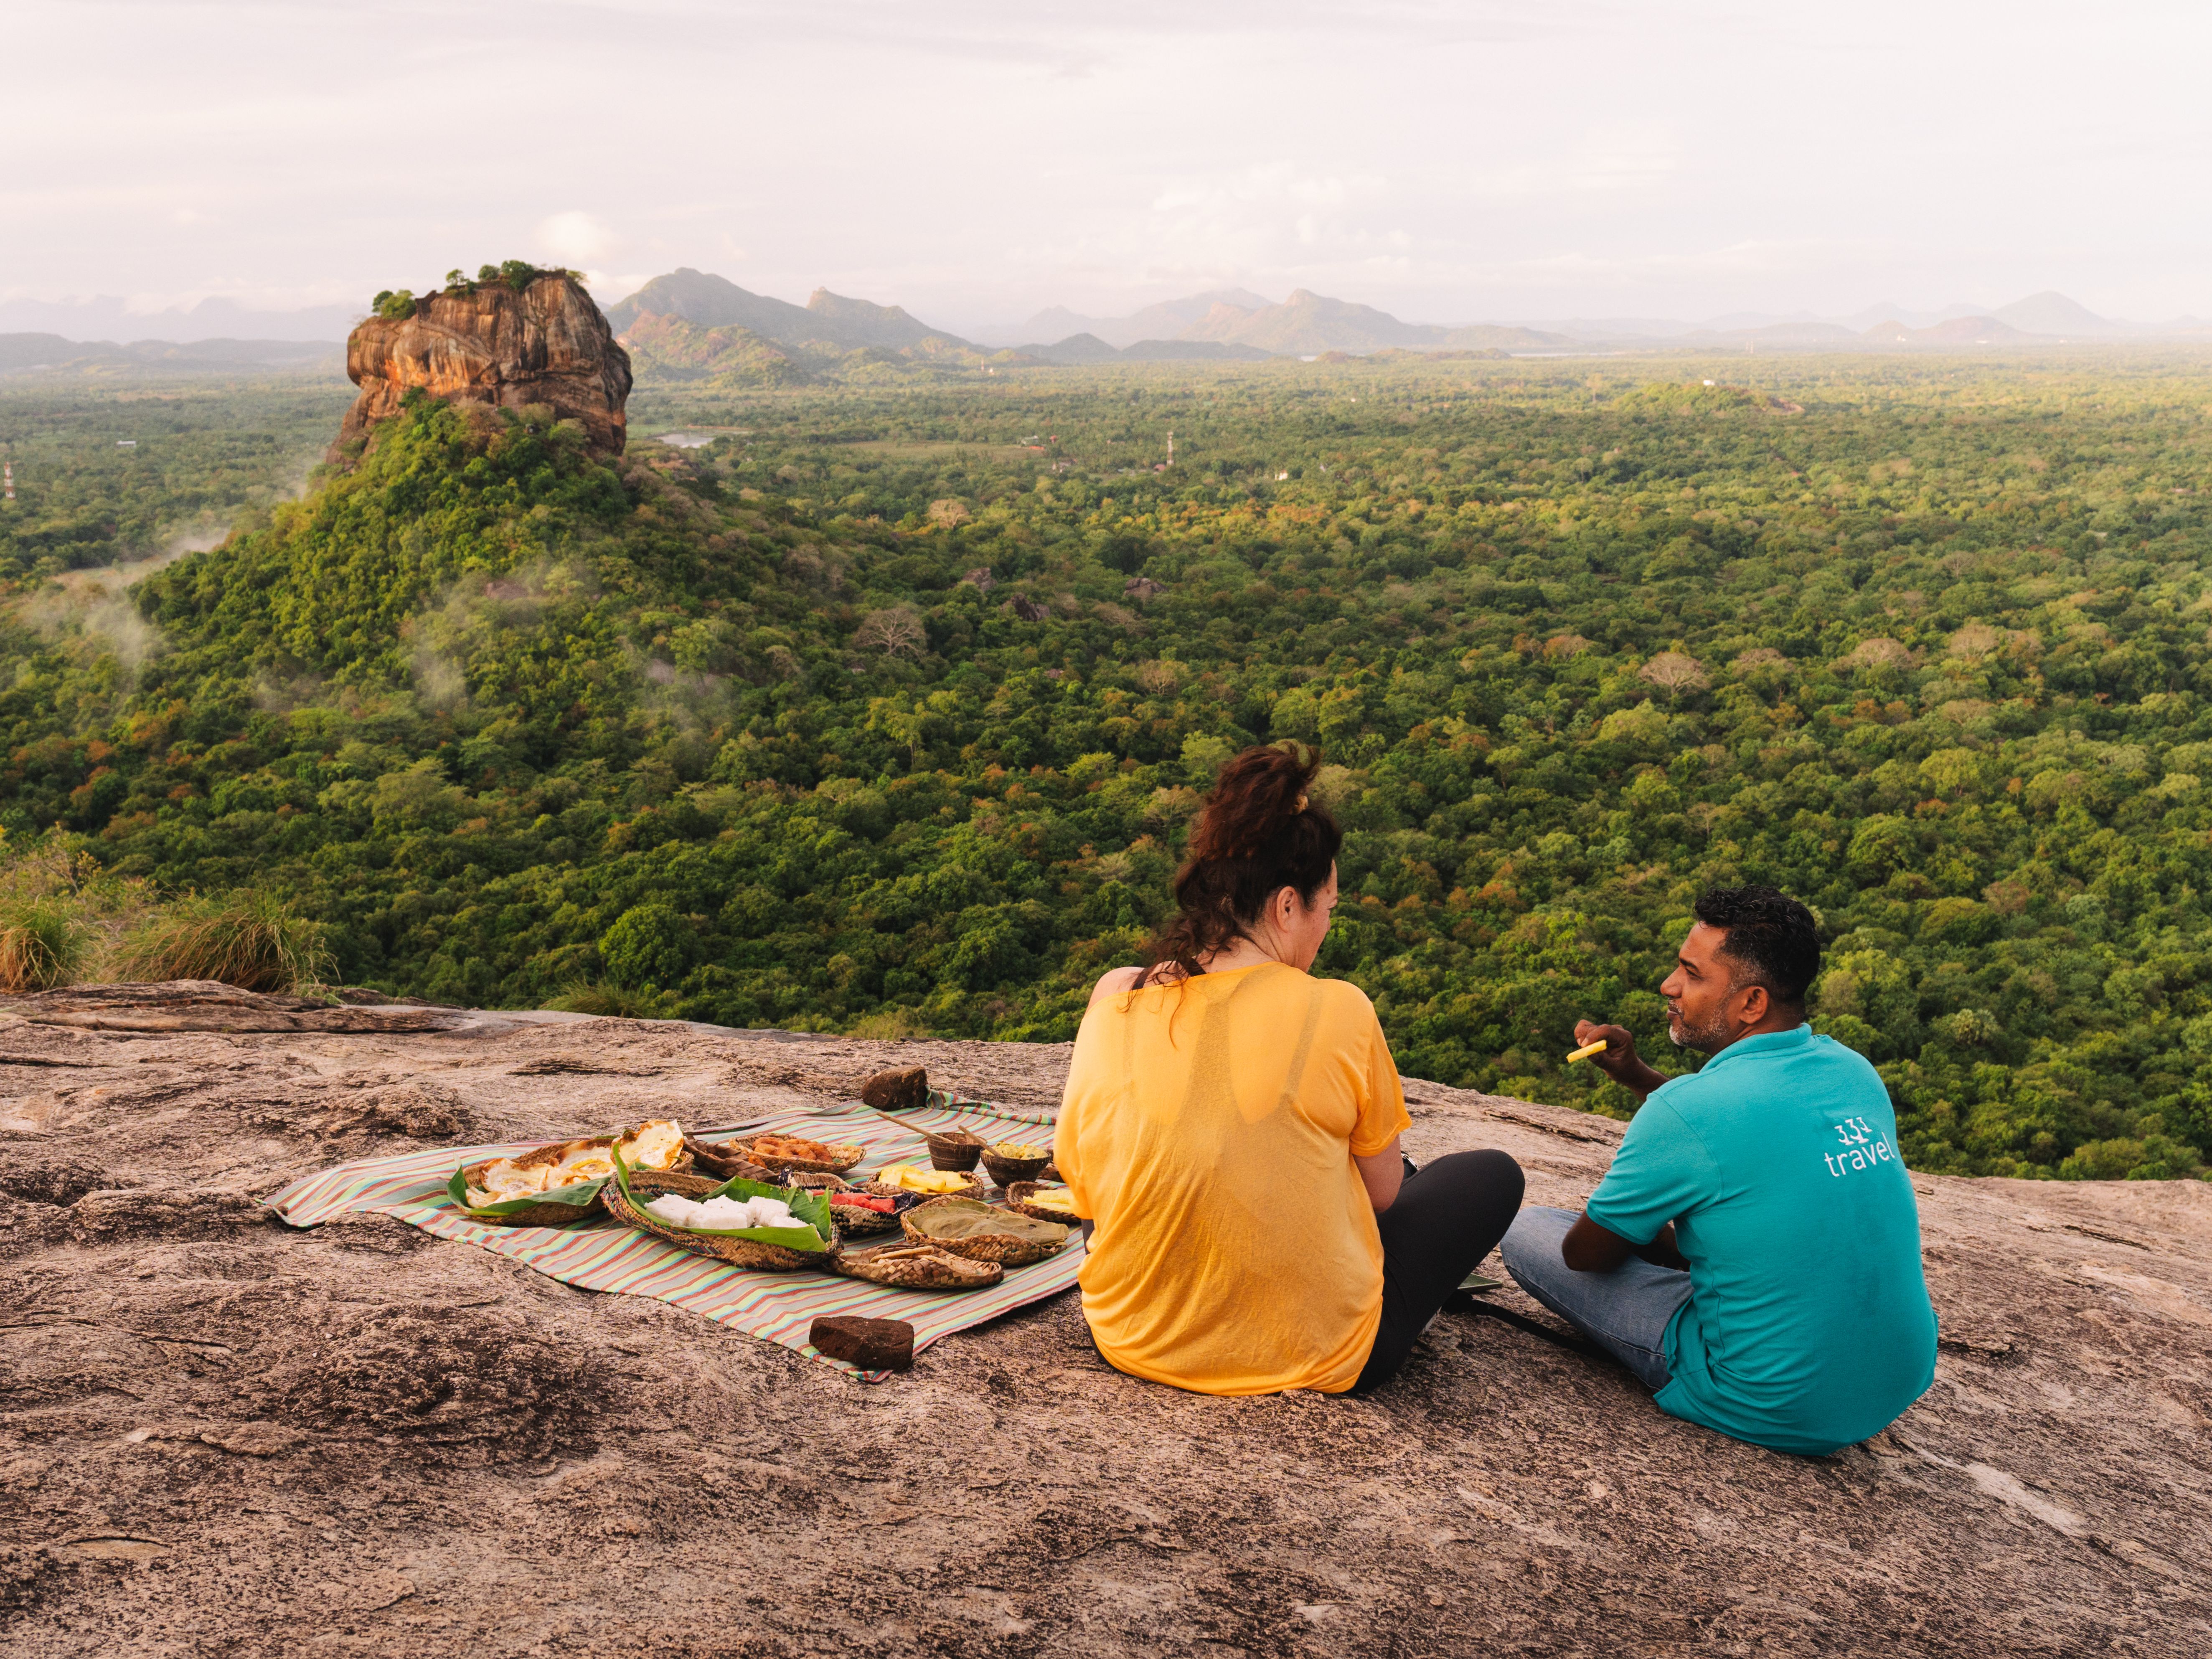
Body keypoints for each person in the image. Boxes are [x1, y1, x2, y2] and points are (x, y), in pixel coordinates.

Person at [1055, 743, 1524, 1397]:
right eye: (1326, 910)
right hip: (1316, 1355)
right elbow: (1385, 1196)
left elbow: (1083, 1181)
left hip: (1133, 1336)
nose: (1327, 929)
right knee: (1487, 1174)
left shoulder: (1120, 995)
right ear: (1285, 908)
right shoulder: (1341, 1008)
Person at [1499, 885, 1937, 1456]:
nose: (1669, 986)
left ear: (1751, 1004)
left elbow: (1587, 1256)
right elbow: (1746, 1138)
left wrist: (1651, 1231)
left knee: (1530, 1229)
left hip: (1771, 1398)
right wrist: (1636, 1075)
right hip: (1893, 1380)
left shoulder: (1687, 1112)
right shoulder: (1854, 1072)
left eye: (1692, 974)